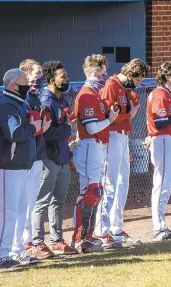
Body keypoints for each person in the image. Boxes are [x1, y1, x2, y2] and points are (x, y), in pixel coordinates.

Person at [0, 68, 42, 268]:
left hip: (18, 165)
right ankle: (0, 254)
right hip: (7, 166)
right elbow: (14, 133)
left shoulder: (17, 103)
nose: (27, 86)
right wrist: (33, 127)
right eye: (24, 83)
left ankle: (13, 251)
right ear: (13, 86)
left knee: (19, 211)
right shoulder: (7, 105)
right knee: (7, 213)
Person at [94, 58, 147, 246]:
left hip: (123, 136)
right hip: (112, 136)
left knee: (122, 183)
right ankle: (101, 231)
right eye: (138, 79)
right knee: (109, 183)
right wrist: (129, 114)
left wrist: (128, 115)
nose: (139, 83)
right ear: (131, 74)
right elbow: (108, 117)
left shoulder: (123, 88)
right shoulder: (111, 85)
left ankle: (116, 228)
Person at [31, 60, 78, 258]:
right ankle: (37, 242)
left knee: (58, 201)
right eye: (63, 76)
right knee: (42, 201)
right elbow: (46, 133)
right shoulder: (46, 100)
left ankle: (57, 240)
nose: (66, 79)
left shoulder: (61, 99)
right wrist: (68, 128)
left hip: (62, 155)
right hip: (48, 157)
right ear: (52, 80)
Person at [71, 55, 117, 253]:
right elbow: (90, 128)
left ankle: (88, 236)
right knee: (89, 191)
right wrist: (110, 119)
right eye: (103, 74)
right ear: (95, 73)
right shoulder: (88, 94)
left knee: (96, 191)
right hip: (89, 145)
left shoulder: (94, 93)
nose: (105, 78)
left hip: (96, 145)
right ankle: (81, 238)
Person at [146, 61, 171, 241]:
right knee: (161, 182)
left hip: (167, 139)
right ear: (169, 76)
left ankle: (161, 225)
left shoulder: (167, 93)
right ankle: (158, 227)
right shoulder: (160, 94)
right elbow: (159, 122)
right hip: (162, 139)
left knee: (164, 182)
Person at [18, 59, 51, 259]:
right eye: (36, 74)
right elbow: (25, 129)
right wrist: (41, 128)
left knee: (32, 200)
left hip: (38, 152)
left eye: (40, 74)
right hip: (27, 155)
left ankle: (29, 241)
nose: (39, 78)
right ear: (26, 75)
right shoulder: (24, 99)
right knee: (25, 202)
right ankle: (24, 243)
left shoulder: (36, 97)